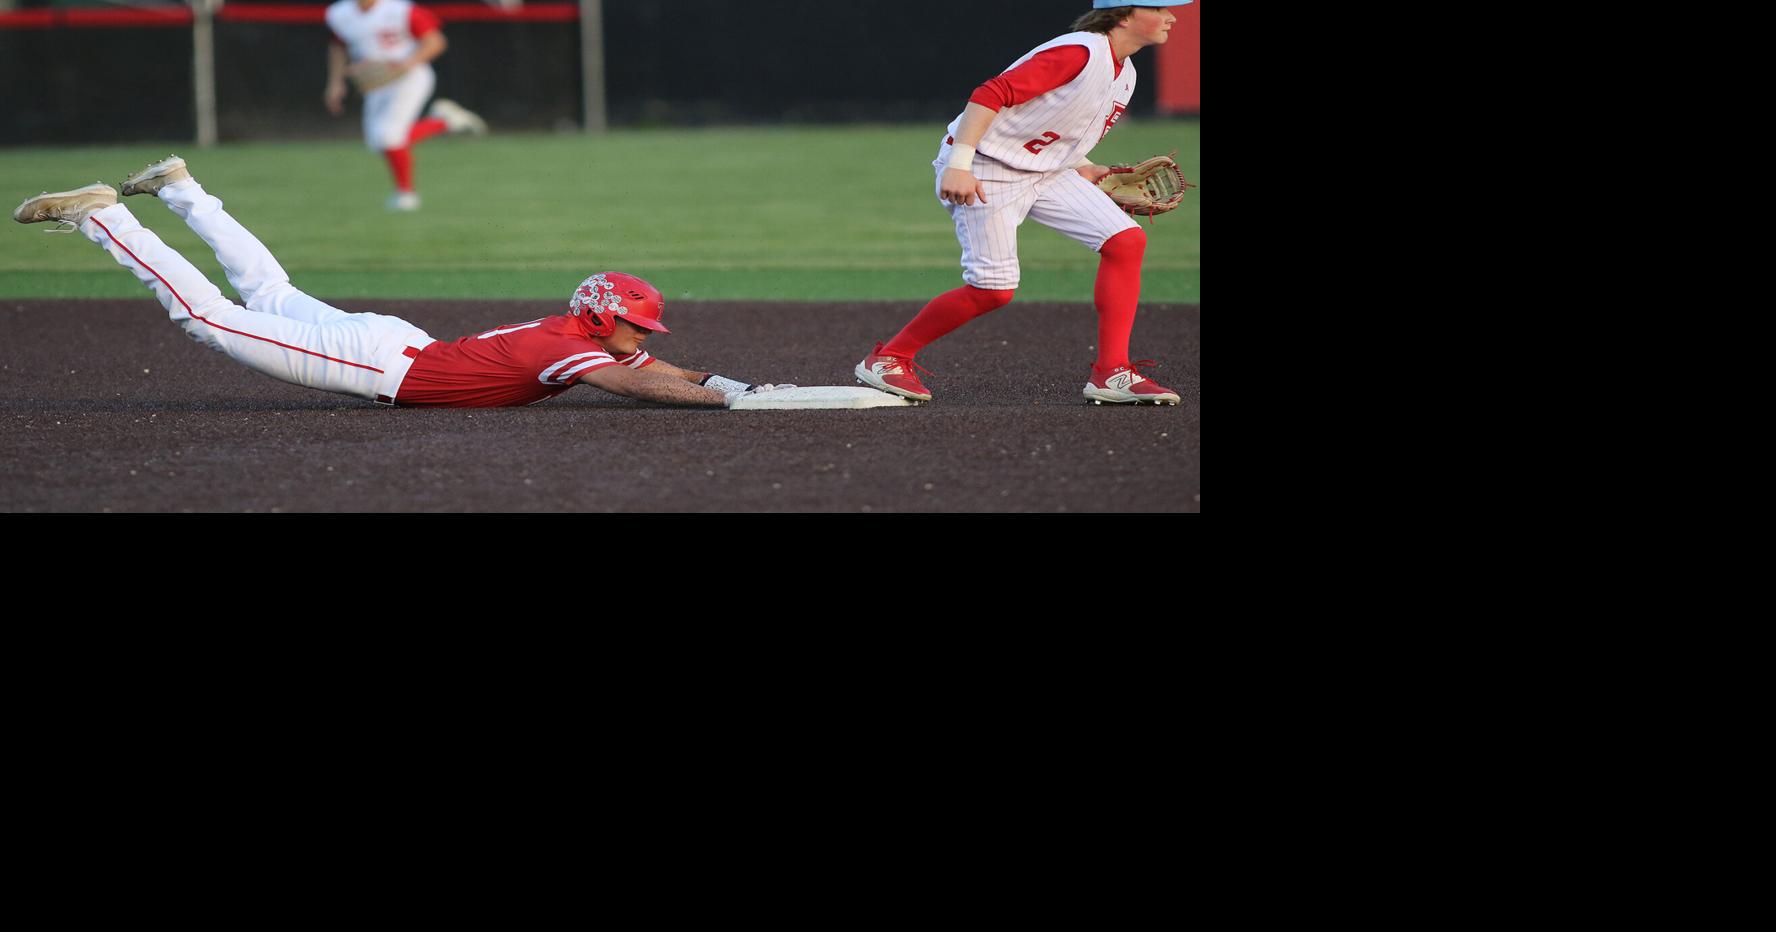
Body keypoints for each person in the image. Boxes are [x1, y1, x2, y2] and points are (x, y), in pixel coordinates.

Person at [11, 157, 788, 410]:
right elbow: (644, 384)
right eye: (636, 327)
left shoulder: (574, 333)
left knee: (270, 292)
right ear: (606, 319)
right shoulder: (576, 349)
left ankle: (183, 188)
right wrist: (731, 399)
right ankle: (107, 220)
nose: (639, 338)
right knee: (211, 317)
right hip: (385, 359)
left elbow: (650, 368)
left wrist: (729, 382)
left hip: (393, 345)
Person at [854, 1, 1188, 406]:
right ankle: (889, 358)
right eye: (1161, 7)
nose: (1172, 16)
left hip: (1043, 172)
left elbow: (1052, 126)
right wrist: (959, 165)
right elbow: (990, 94)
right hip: (986, 168)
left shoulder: (1125, 72)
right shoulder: (1080, 52)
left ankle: (1111, 373)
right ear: (1123, 15)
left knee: (1125, 241)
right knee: (993, 290)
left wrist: (1084, 166)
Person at [324, 0, 489, 211]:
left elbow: (436, 42)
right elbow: (337, 46)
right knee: (378, 142)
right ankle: (444, 122)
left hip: (409, 78)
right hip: (376, 84)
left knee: (389, 137)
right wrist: (335, 83)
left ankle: (406, 195)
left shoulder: (401, 10)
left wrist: (404, 65)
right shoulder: (339, 13)